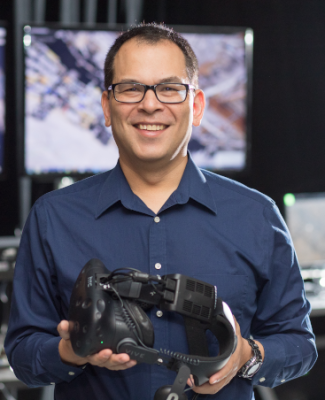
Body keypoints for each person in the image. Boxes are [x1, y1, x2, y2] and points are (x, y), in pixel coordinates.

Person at [5, 23, 317, 400]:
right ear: (106, 107)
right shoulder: (53, 217)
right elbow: (22, 354)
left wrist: (245, 358)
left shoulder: (257, 215)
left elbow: (299, 344)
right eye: (130, 88)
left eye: (169, 88)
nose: (149, 104)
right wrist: (73, 351)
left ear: (197, 106)